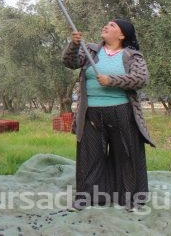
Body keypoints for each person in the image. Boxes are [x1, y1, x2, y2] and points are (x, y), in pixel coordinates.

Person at [62, 18, 155, 211]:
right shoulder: (91, 51)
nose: (106, 26)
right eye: (106, 24)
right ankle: (86, 197)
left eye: (112, 25)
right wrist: (74, 44)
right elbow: (70, 62)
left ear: (122, 34)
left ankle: (131, 199)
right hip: (91, 113)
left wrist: (111, 80)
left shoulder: (131, 56)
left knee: (126, 155)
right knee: (90, 155)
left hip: (121, 111)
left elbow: (140, 79)